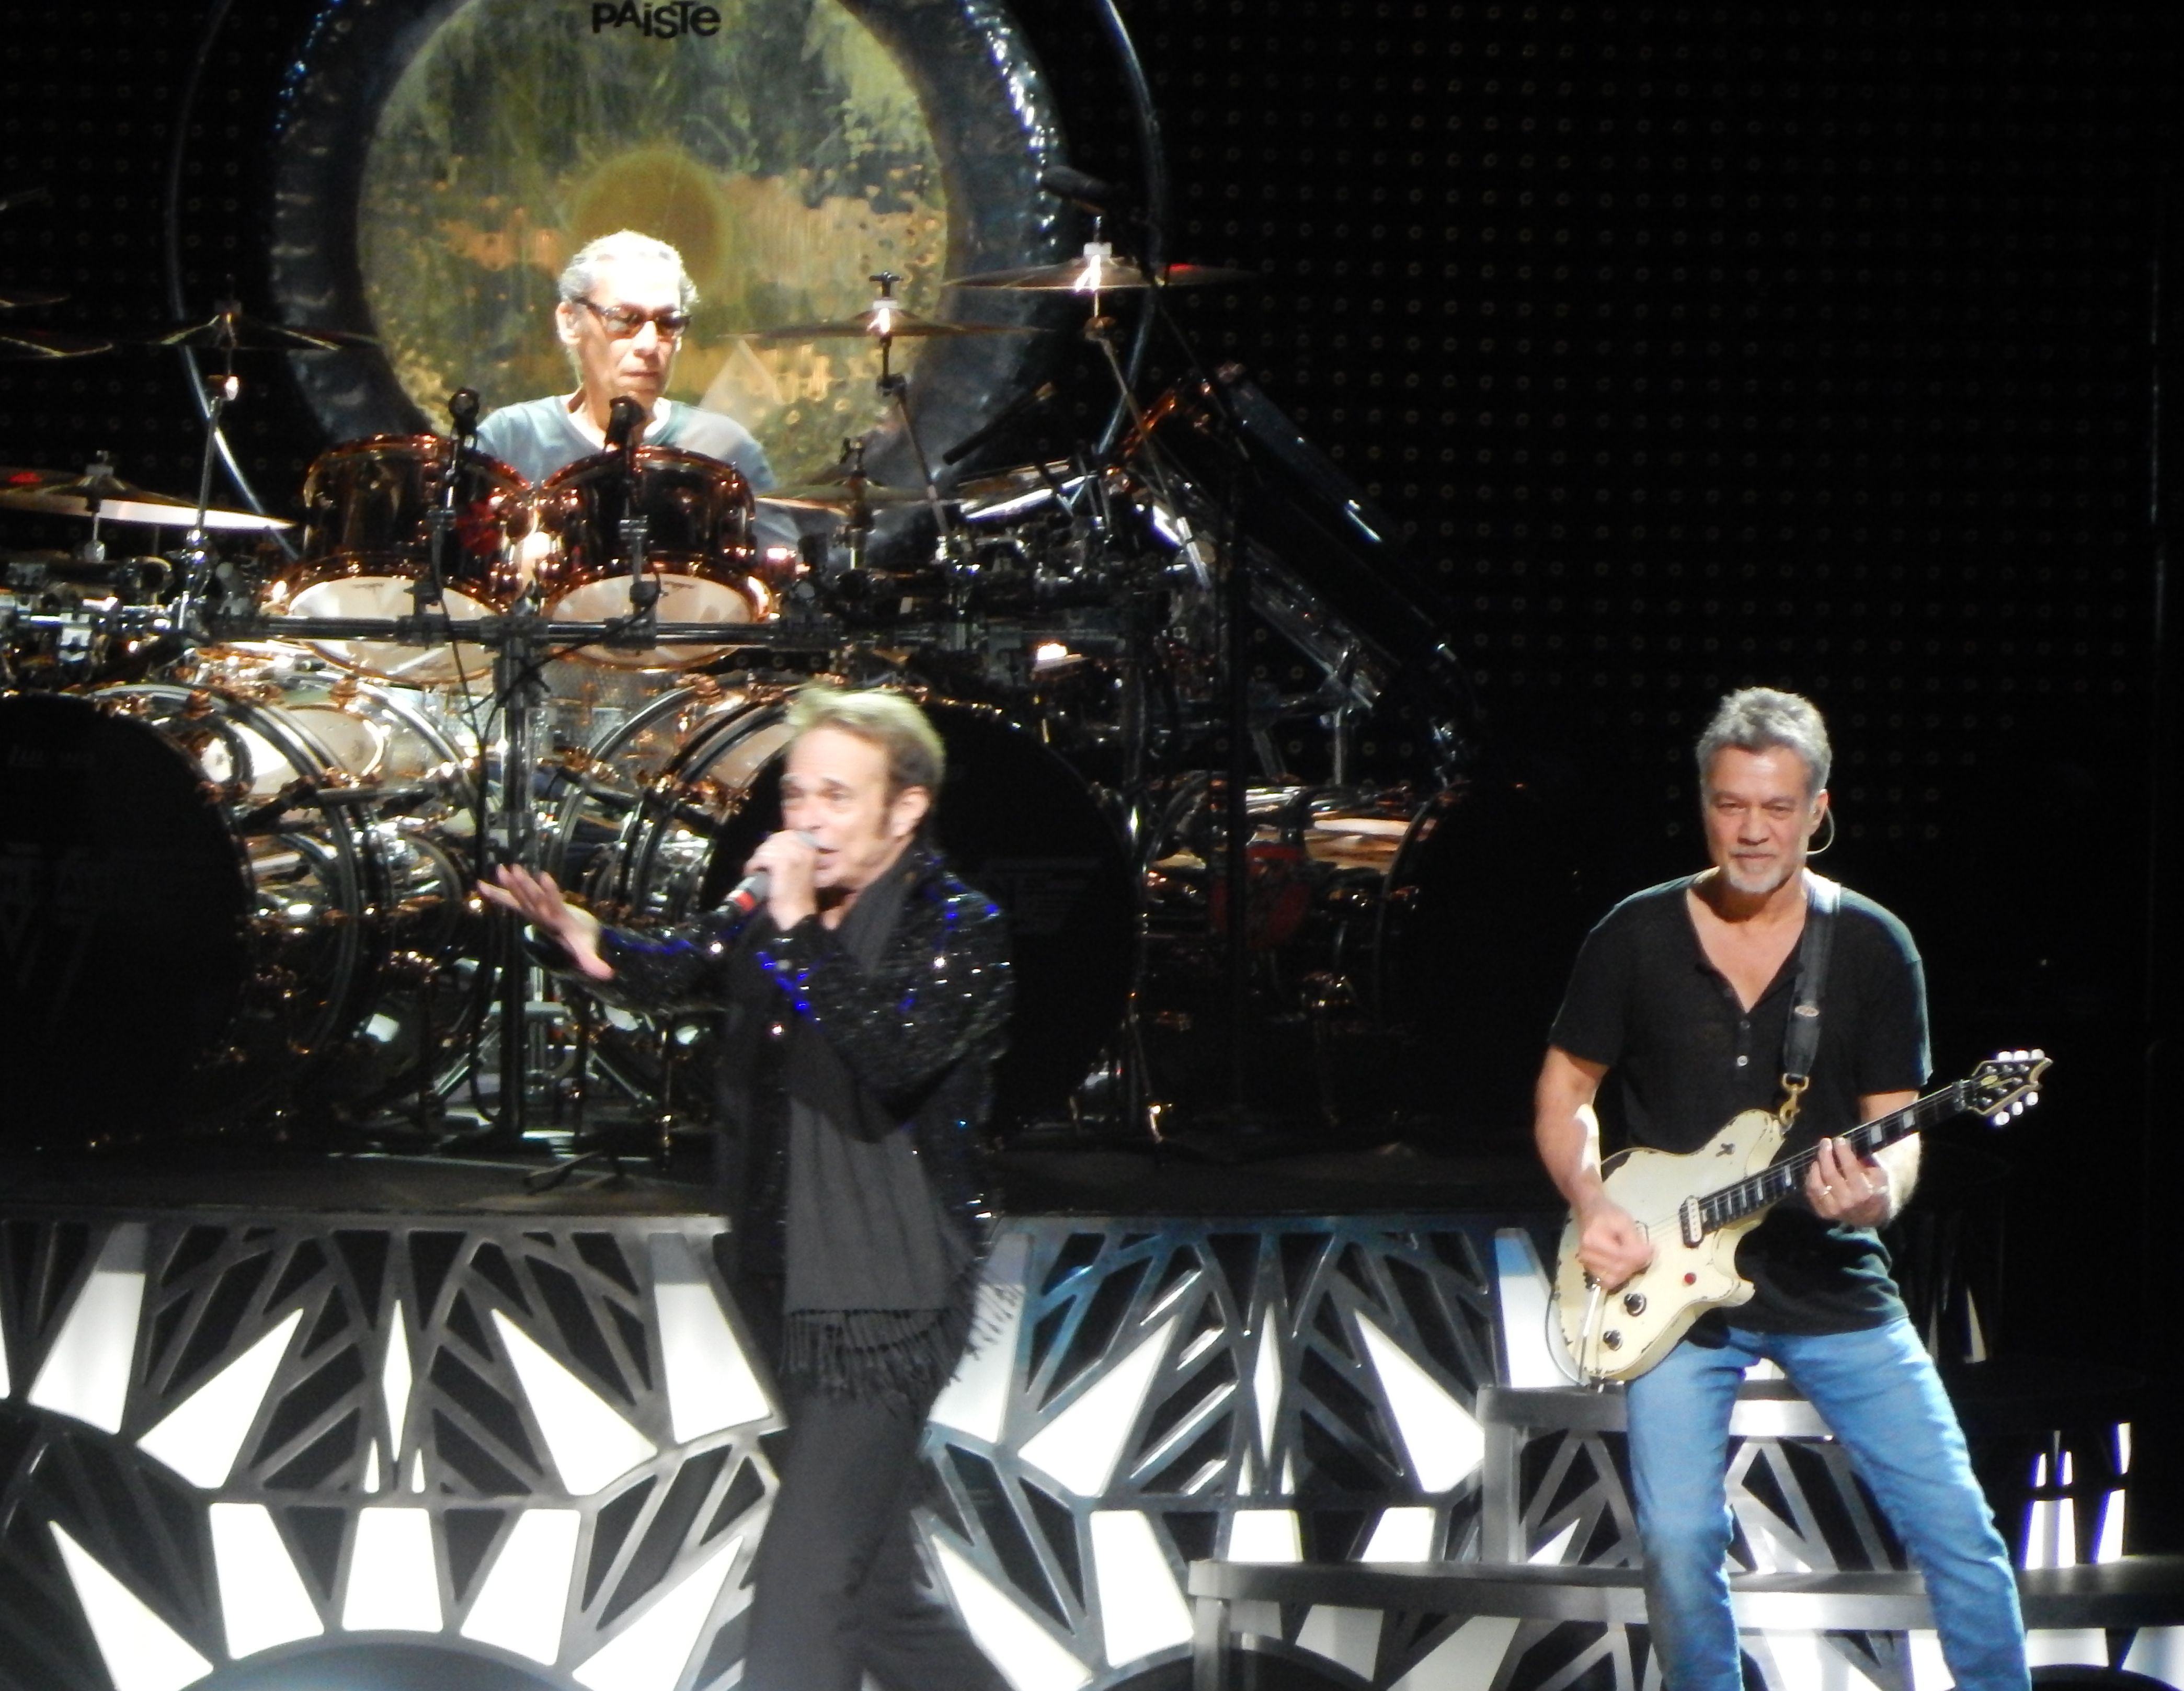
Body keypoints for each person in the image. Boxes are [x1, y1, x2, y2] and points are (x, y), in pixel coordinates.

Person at [481, 684, 1010, 1691]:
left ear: (905, 807)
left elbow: (892, 1051)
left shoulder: (958, 924)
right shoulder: (772, 909)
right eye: (796, 792)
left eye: (836, 795)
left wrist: (799, 922)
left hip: (886, 1296)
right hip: (784, 1271)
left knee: (805, 1587)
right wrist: (590, 940)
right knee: (878, 1593)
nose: (806, 816)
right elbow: (686, 962)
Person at [1532, 687, 2027, 1690]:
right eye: (1730, 804)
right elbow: (1563, 1096)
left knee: (1956, 1526)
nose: (1751, 829)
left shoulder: (1873, 945)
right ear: (1704, 805)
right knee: (1678, 1540)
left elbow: (1897, 1132)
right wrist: (1593, 1203)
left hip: (1831, 1278)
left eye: (1775, 806)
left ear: (1816, 810)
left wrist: (1874, 1196)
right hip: (1675, 1293)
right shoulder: (1634, 934)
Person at [475, 228, 776, 493]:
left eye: (668, 323)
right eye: (624, 320)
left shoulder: (724, 450)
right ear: (570, 322)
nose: (649, 345)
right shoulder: (513, 440)